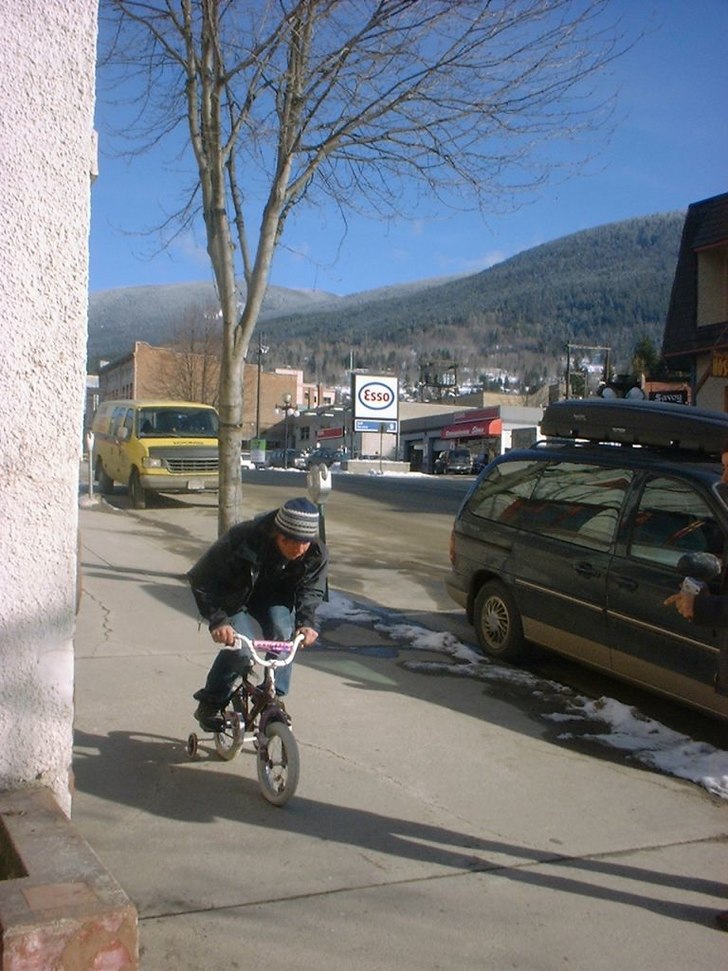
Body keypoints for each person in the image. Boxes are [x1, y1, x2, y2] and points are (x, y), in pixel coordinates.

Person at [187, 497, 328, 731]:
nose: (298, 550)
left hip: (273, 598)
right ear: (276, 533)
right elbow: (201, 580)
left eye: (304, 543)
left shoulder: (315, 552)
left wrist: (306, 622)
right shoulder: (242, 539)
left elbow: (311, 589)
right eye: (290, 541)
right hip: (232, 597)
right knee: (241, 651)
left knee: (283, 635)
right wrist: (218, 620)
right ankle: (211, 701)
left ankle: (271, 695)